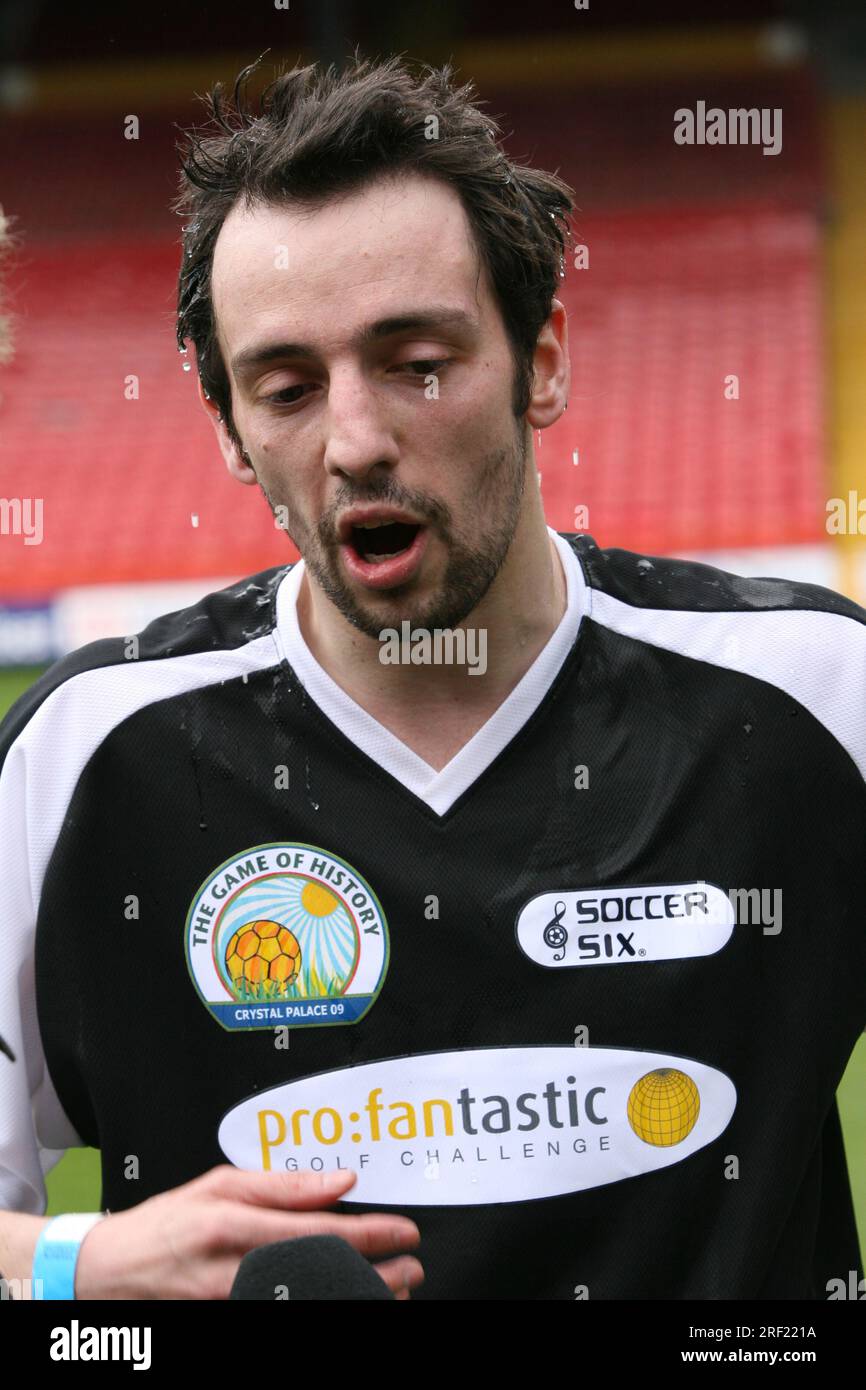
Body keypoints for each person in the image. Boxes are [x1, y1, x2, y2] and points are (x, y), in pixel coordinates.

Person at [0, 51, 863, 1301]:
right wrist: (81, 1264)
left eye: (416, 360)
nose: (354, 440)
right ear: (232, 436)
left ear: (541, 363)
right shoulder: (86, 758)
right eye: (286, 387)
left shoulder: (812, 698)